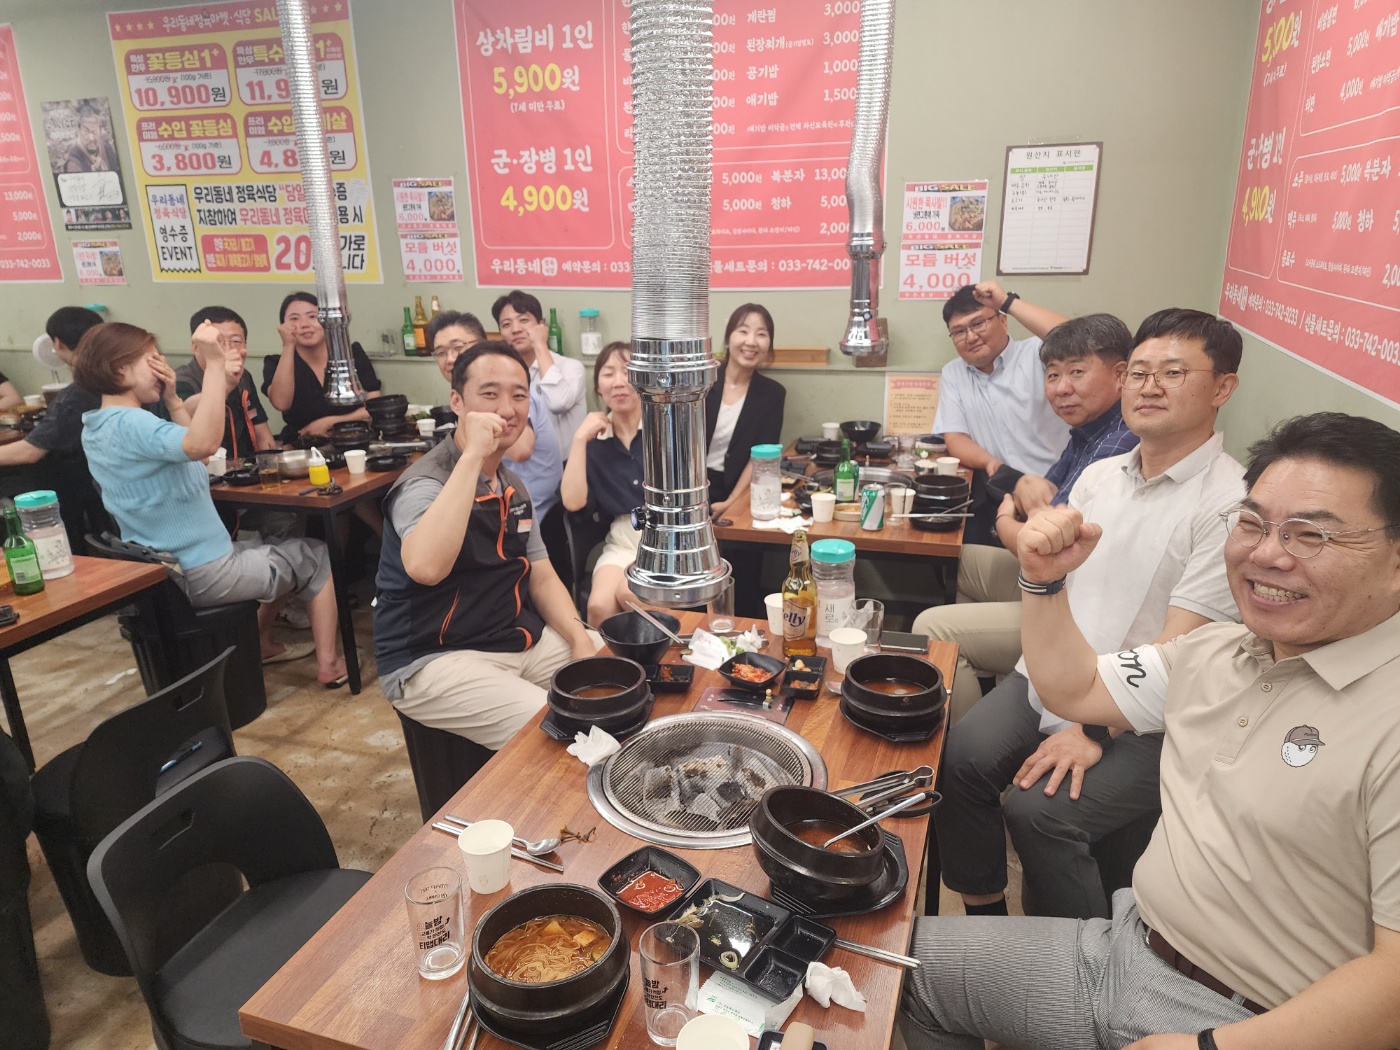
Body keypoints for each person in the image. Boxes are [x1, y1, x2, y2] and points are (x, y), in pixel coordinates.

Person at [902, 411, 1400, 1050]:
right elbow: (1075, 687)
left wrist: (1208, 1047)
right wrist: (1045, 581)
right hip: (1121, 947)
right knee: (887, 967)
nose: (1267, 554)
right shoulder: (1219, 652)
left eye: (1311, 535)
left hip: (1245, 1019)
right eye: (1252, 523)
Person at [932, 308, 1245, 921]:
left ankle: (1083, 955)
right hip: (1054, 673)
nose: (1150, 387)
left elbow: (1177, 653)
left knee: (1037, 811)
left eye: (1173, 373)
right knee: (960, 757)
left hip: (1144, 714)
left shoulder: (1230, 504)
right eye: (1140, 373)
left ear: (1223, 387)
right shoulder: (1102, 476)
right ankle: (986, 919)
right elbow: (1054, 579)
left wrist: (1094, 728)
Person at [74, 322, 345, 685]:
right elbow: (203, 445)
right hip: (202, 573)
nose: (162, 367)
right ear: (119, 370)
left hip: (168, 573)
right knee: (316, 555)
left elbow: (198, 458)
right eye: (152, 360)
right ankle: (331, 666)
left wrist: (173, 400)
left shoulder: (99, 426)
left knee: (278, 549)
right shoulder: (133, 423)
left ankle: (261, 643)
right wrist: (215, 366)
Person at [914, 313, 1139, 720]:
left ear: (1120, 375)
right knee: (959, 560)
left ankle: (966, 725)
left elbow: (1037, 540)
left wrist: (1008, 520)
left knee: (932, 627)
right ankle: (992, 681)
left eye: (1077, 372)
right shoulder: (1088, 431)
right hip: (1054, 571)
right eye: (1053, 375)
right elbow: (1033, 497)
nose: (1062, 388)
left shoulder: (1119, 442)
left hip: (1075, 597)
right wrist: (1021, 506)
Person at [373, 341, 597, 750]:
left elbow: (542, 576)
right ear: (457, 402)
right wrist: (474, 454)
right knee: (558, 734)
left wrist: (580, 639)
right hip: (433, 658)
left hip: (511, 639)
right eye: (490, 394)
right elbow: (425, 567)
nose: (507, 409)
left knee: (615, 679)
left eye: (519, 396)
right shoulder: (424, 483)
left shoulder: (512, 485)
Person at [933, 278, 1071, 480]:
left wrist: (1008, 302)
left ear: (1003, 321)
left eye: (978, 324)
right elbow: (956, 437)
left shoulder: (1037, 353)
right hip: (999, 483)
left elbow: (1073, 336)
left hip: (1056, 481)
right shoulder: (953, 373)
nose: (971, 337)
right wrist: (992, 464)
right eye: (959, 331)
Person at [492, 290, 585, 586]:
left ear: (540, 325)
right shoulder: (504, 377)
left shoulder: (570, 367)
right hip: (522, 477)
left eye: (524, 320)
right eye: (506, 324)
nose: (515, 329)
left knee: (551, 563)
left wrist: (540, 346)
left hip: (568, 474)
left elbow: (557, 401)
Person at [560, 342, 645, 626]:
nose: (619, 382)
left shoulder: (664, 429)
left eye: (628, 371)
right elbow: (573, 502)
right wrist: (579, 440)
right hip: (622, 541)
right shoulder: (594, 443)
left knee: (628, 593)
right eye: (608, 374)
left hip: (665, 540)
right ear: (598, 386)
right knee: (598, 607)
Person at [261, 291, 382, 444]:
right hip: (302, 445)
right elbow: (281, 403)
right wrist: (288, 345)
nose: (304, 324)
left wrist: (330, 422)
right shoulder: (276, 363)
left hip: (355, 439)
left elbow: (375, 406)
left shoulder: (352, 354)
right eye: (294, 319)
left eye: (312, 316)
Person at [705, 303, 786, 521]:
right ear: (728, 337)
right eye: (743, 331)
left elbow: (760, 457)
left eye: (761, 334)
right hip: (692, 487)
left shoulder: (773, 394)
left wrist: (731, 502)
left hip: (739, 492)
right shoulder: (702, 383)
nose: (751, 341)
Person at [175, 306, 277, 462]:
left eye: (236, 341)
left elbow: (262, 433)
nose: (228, 349)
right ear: (196, 348)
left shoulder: (244, 376)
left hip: (244, 468)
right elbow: (182, 414)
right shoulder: (180, 381)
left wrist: (274, 464)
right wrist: (224, 384)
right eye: (218, 342)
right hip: (203, 470)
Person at [62, 105, 120, 174]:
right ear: (78, 131)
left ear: (100, 131)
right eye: (86, 132)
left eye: (94, 132)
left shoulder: (105, 146)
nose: (91, 138)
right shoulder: (73, 163)